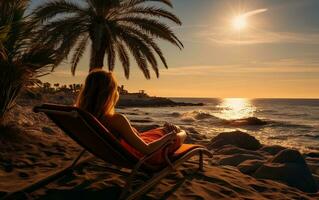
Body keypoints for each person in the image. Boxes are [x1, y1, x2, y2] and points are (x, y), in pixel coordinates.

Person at [76, 69, 187, 164]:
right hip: (147, 155)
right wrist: (169, 137)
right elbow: (147, 150)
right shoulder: (116, 120)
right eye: (115, 89)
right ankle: (177, 131)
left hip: (131, 147)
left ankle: (169, 130)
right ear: (109, 94)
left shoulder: (81, 115)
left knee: (165, 129)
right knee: (181, 133)